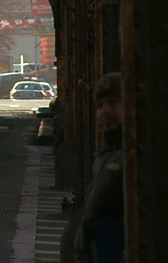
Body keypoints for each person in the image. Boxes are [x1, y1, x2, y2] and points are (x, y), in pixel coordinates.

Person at [61, 72, 125, 262]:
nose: (105, 111)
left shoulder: (134, 158)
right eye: (100, 106)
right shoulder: (105, 157)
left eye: (112, 103)